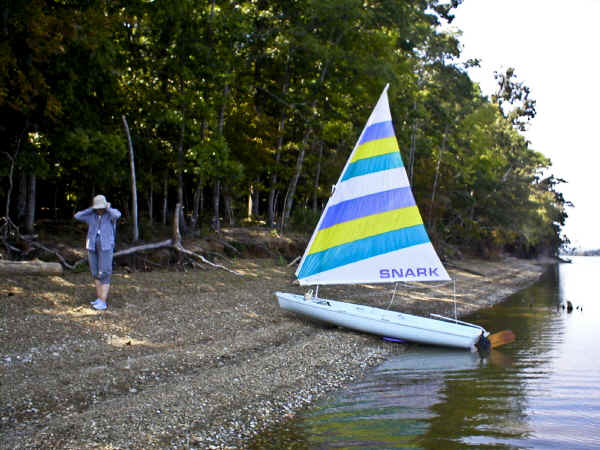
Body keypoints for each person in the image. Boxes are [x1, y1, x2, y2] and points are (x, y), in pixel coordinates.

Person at [74, 195, 121, 310]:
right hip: (92, 245)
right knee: (95, 271)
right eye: (98, 207)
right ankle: (99, 298)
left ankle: (103, 301)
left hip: (106, 246)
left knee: (104, 271)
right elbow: (77, 216)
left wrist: (108, 208)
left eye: (101, 207)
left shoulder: (110, 215)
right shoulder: (91, 215)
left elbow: (117, 214)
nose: (99, 209)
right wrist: (91, 209)